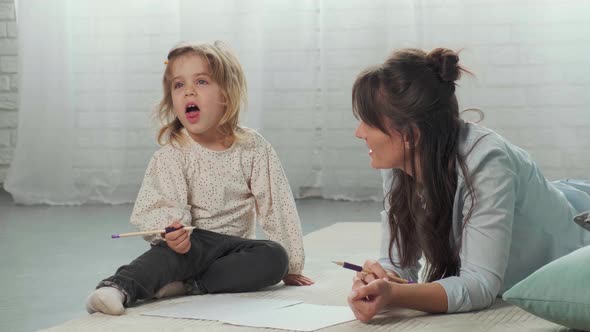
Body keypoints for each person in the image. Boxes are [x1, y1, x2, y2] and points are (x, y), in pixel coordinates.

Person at [347, 47, 590, 322]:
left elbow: (480, 285)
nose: (359, 133)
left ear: (410, 136)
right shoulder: (398, 163)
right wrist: (380, 279)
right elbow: (398, 262)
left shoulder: (487, 161)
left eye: (368, 122)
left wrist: (396, 295)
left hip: (578, 239)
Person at [86, 41, 313, 316]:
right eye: (178, 85)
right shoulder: (173, 155)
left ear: (226, 96)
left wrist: (293, 265)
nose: (188, 91)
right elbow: (163, 207)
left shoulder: (254, 148)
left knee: (274, 257)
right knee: (168, 256)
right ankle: (117, 287)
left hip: (233, 251)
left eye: (202, 81)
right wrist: (172, 234)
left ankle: (191, 285)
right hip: (189, 247)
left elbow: (277, 205)